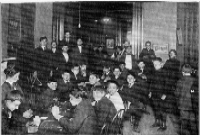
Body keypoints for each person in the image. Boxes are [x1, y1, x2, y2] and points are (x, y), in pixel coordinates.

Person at [175, 64, 196, 135]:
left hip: (183, 105)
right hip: (193, 106)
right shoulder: (195, 81)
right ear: (191, 71)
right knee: (193, 123)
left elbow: (176, 94)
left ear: (183, 72)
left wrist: (178, 103)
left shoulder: (180, 81)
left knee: (183, 123)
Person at [148, 57, 168, 131]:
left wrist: (165, 94)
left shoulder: (165, 72)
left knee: (162, 110)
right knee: (156, 109)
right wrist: (150, 91)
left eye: (156, 64)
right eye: (154, 64)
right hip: (154, 94)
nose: (155, 65)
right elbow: (151, 83)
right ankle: (157, 122)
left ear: (161, 64)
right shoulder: (154, 72)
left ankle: (163, 125)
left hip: (162, 94)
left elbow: (168, 84)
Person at [163, 49, 181, 115]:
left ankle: (173, 110)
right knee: (168, 95)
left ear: (175, 54)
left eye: (172, 53)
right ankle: (169, 109)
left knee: (173, 96)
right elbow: (164, 69)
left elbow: (172, 69)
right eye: (170, 53)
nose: (170, 54)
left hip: (173, 80)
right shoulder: (168, 61)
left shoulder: (176, 61)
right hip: (168, 80)